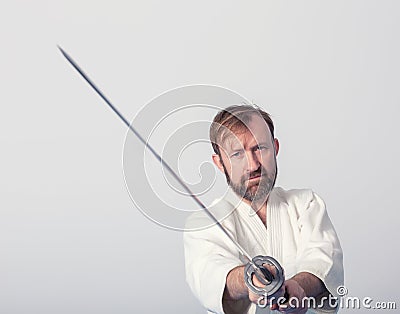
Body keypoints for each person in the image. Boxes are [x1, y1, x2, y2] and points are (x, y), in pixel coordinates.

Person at [183, 104, 344, 314]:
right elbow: (208, 273)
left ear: (275, 148)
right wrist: (249, 279)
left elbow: (324, 258)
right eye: (237, 154)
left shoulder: (306, 204)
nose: (253, 165)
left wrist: (299, 287)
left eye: (259, 148)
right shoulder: (204, 222)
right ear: (220, 163)